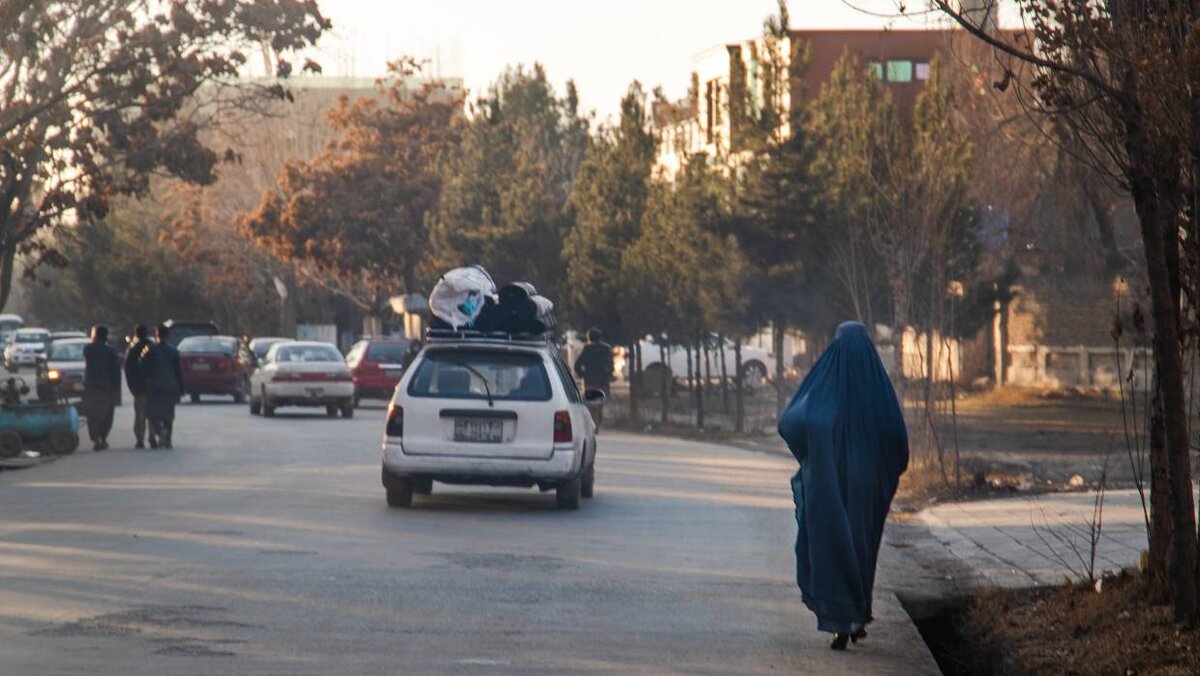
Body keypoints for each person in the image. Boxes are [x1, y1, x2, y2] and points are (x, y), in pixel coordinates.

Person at [776, 321, 909, 651]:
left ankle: (840, 621)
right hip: (868, 487)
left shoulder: (825, 382)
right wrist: (885, 473)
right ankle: (858, 616)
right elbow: (897, 440)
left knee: (832, 545)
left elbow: (789, 423)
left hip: (828, 482)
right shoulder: (878, 386)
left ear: (834, 345)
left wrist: (811, 454)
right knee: (862, 548)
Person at [82, 325, 121, 451]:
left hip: (91, 387)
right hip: (106, 388)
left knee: (92, 414)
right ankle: (103, 438)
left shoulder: (88, 349)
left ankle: (96, 438)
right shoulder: (111, 351)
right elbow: (116, 372)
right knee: (106, 415)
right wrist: (116, 389)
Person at [144, 324, 183, 449]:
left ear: (157, 335)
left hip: (155, 387)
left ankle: (160, 432)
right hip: (170, 386)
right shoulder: (174, 351)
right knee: (168, 415)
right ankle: (168, 439)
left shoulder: (151, 350)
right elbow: (179, 372)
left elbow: (143, 367)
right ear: (168, 336)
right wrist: (181, 389)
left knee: (152, 413)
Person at [574, 328, 614, 426]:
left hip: (589, 381)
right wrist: (608, 375)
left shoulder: (587, 349)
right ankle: (598, 419)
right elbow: (611, 366)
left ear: (589, 338)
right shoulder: (606, 349)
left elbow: (577, 365)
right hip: (602, 381)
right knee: (600, 403)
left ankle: (592, 422)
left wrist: (582, 374)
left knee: (590, 404)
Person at [124, 325, 152, 449]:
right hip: (152, 387)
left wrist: (133, 388)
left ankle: (140, 439)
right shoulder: (153, 347)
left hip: (139, 388)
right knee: (152, 414)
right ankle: (153, 436)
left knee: (140, 415)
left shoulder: (133, 349)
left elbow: (128, 370)